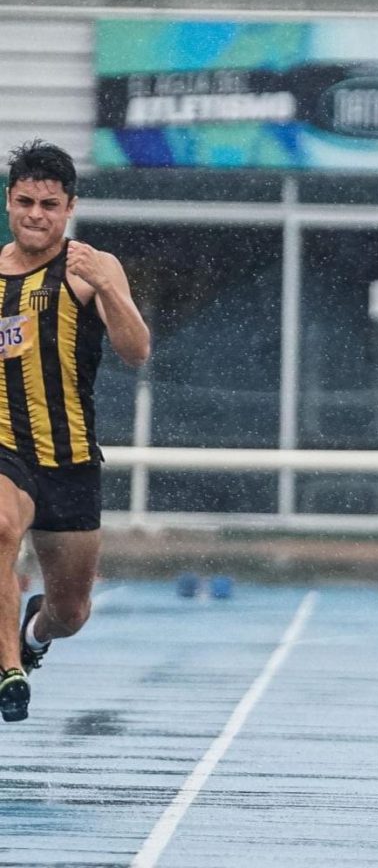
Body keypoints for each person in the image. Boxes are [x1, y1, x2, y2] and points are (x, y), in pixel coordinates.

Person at [0, 140, 150, 722]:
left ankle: (34, 636)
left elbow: (136, 352)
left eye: (49, 204)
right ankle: (9, 670)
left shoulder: (90, 267)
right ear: (9, 203)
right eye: (25, 202)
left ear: (69, 209)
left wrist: (108, 288)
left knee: (72, 612)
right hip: (6, 447)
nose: (36, 214)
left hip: (69, 456)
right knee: (1, 529)